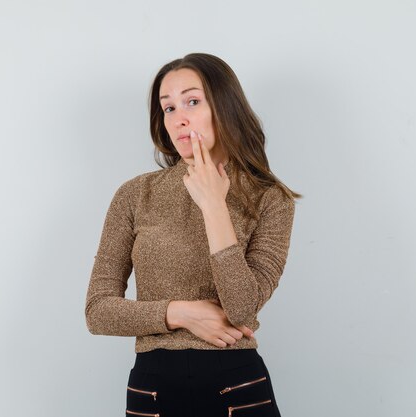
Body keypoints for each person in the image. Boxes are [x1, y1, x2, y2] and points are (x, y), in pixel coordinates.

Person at [84, 52, 302, 417]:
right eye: (168, 108)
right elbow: (98, 312)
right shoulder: (135, 194)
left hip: (237, 386)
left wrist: (214, 205)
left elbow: (242, 309)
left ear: (224, 106)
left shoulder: (270, 198)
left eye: (192, 101)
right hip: (152, 389)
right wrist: (178, 313)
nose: (178, 118)